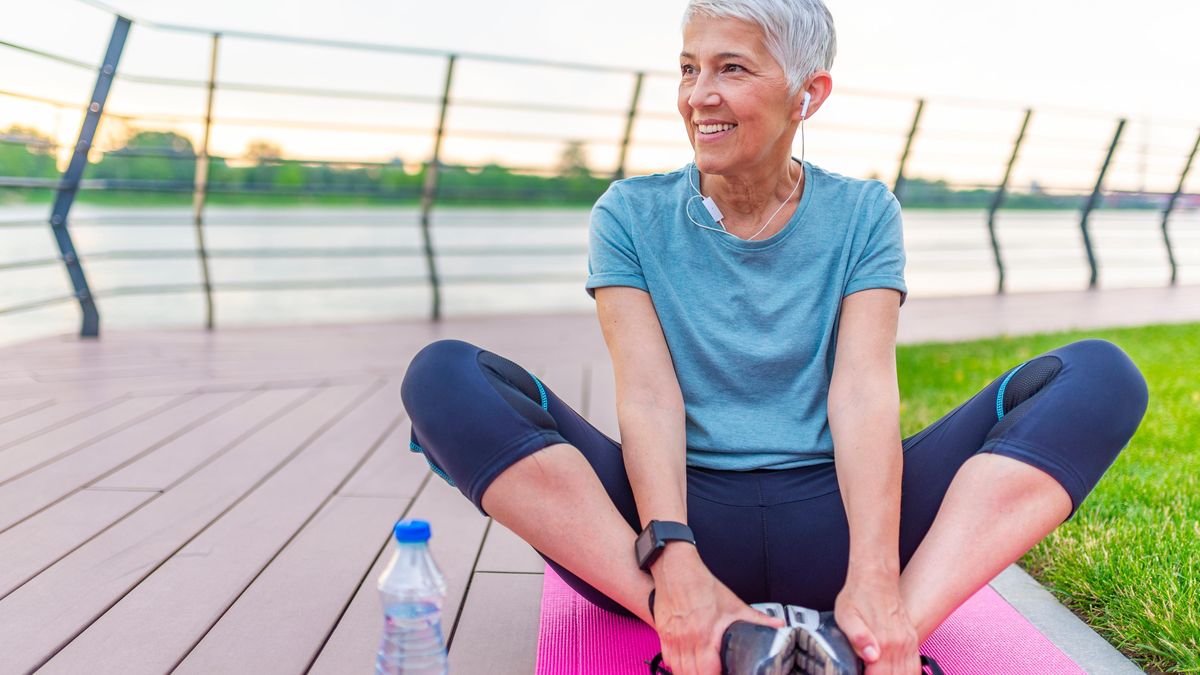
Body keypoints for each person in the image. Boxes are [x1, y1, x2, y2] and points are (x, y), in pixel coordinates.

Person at [399, 1, 1150, 673]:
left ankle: (877, 640)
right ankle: (700, 621)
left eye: (731, 68)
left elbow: (861, 394)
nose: (699, 96)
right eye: (689, 68)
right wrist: (672, 556)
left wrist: (877, 574)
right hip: (661, 530)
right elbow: (650, 396)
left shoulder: (864, 213)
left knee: (1101, 376)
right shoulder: (627, 214)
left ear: (808, 93)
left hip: (834, 522)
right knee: (443, 376)